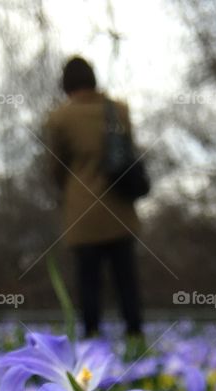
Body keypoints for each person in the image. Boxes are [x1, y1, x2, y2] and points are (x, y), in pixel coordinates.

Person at [44, 56, 145, 341]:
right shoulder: (119, 111)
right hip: (120, 209)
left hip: (82, 210)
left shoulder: (59, 119)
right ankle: (135, 334)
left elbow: (56, 167)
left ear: (67, 86)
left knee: (88, 281)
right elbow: (127, 153)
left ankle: (91, 336)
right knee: (126, 279)